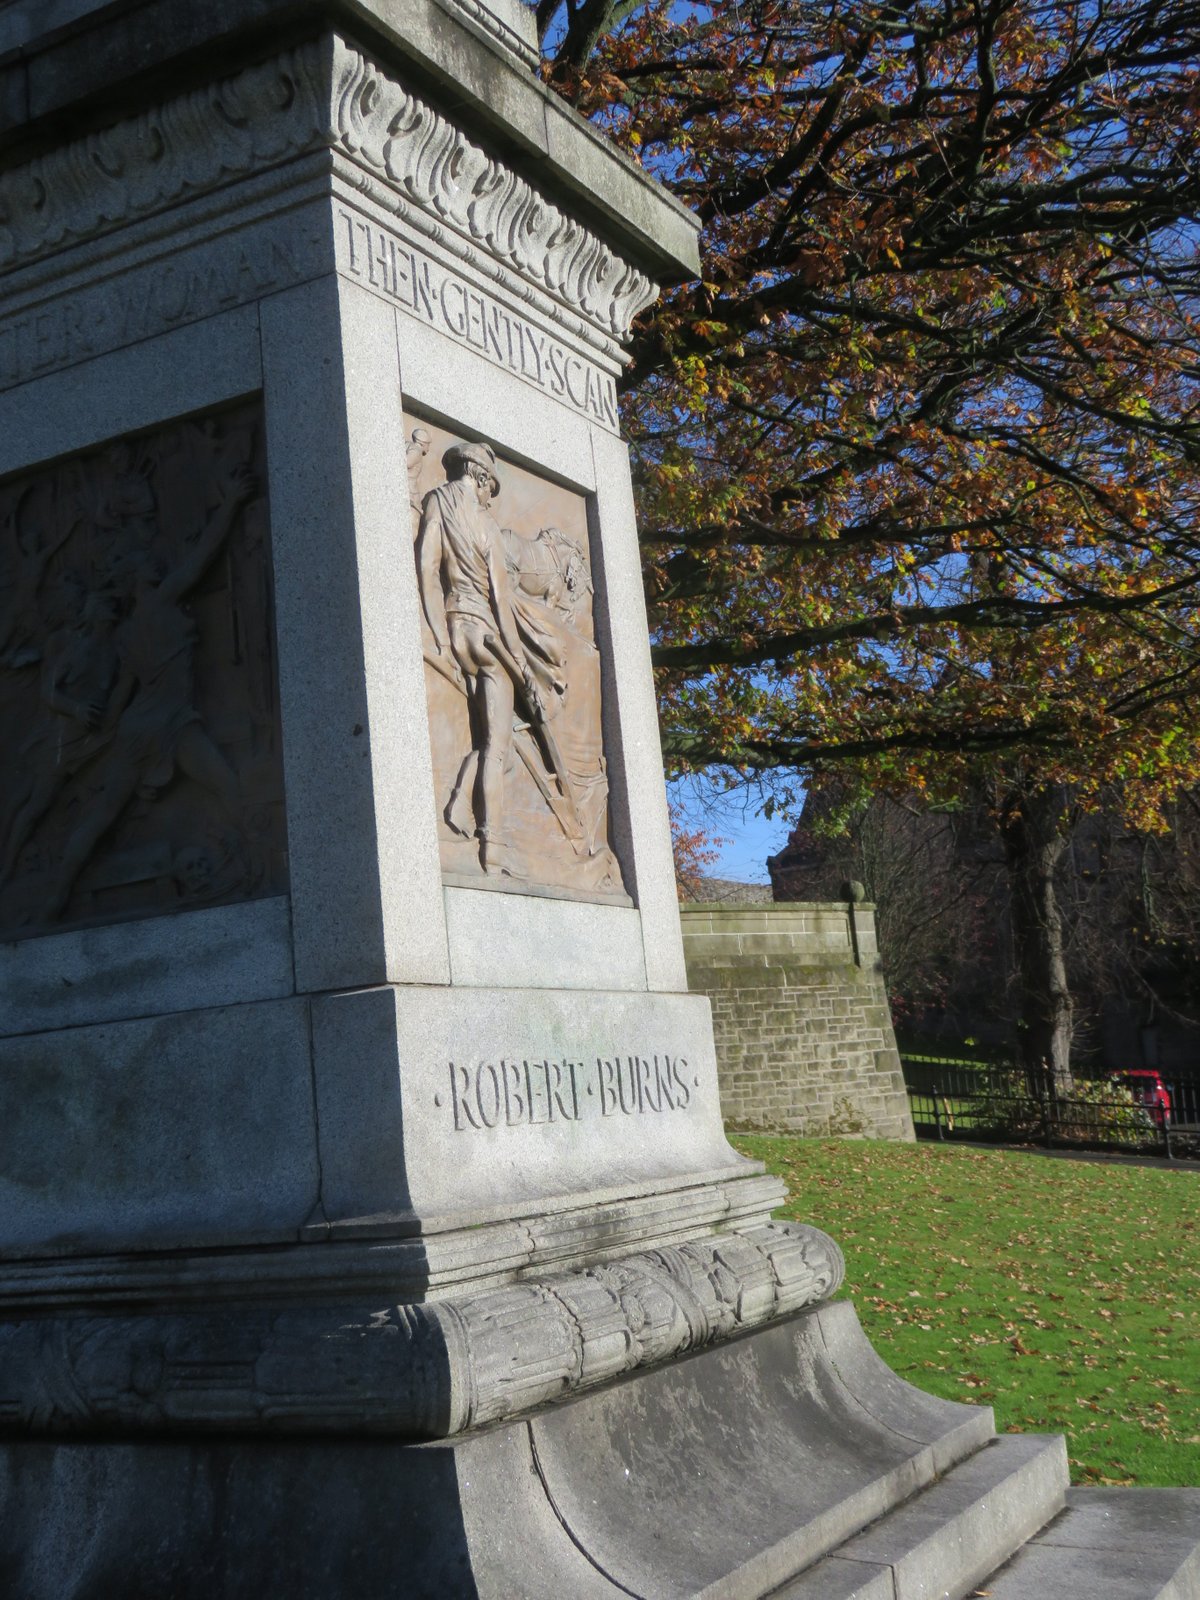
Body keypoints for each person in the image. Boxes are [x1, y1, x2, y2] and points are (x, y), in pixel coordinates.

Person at [41, 460, 257, 920]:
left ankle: (54, 898)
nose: (156, 560)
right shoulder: (161, 599)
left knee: (100, 816)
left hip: (138, 730)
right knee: (229, 787)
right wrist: (233, 502)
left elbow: (121, 695)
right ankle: (263, 862)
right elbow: (202, 555)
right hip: (175, 727)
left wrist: (97, 732)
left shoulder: (124, 635)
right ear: (137, 577)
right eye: (146, 561)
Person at [416, 440, 541, 875]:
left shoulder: (436, 502)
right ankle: (494, 848)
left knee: (485, 738)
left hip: (456, 628)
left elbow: (428, 572)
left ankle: (457, 803)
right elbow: (503, 606)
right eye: (492, 487)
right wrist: (522, 666)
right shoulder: (486, 527)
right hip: (488, 640)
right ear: (480, 476)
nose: (491, 497)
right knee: (498, 746)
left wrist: (439, 634)